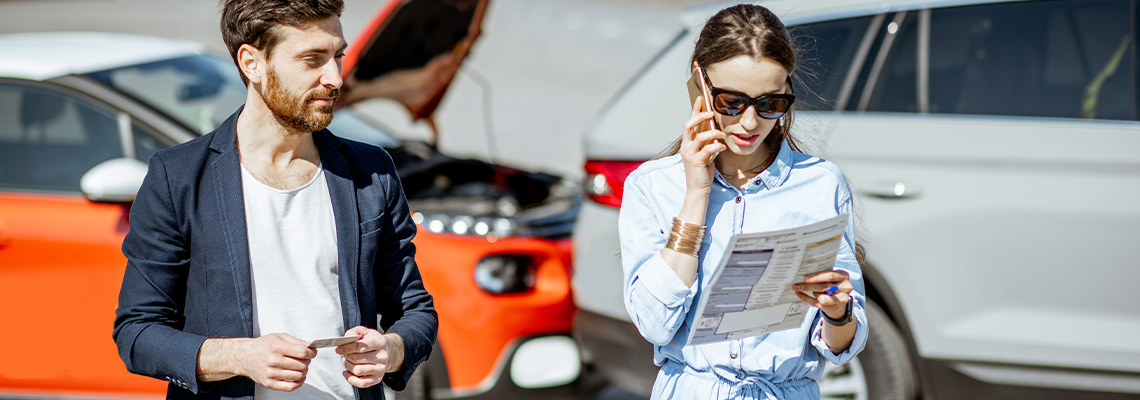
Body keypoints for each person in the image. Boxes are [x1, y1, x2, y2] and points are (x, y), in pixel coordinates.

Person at [112, 1, 437, 399]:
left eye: (338, 56)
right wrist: (240, 357)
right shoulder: (177, 176)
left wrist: (392, 350)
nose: (334, 77)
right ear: (252, 63)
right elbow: (137, 333)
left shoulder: (372, 172)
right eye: (312, 59)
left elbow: (415, 311)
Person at [618, 4, 868, 399]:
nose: (750, 122)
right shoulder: (653, 186)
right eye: (731, 102)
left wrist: (839, 312)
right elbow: (654, 324)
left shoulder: (820, 184)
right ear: (700, 84)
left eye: (770, 103)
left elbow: (840, 346)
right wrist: (697, 193)